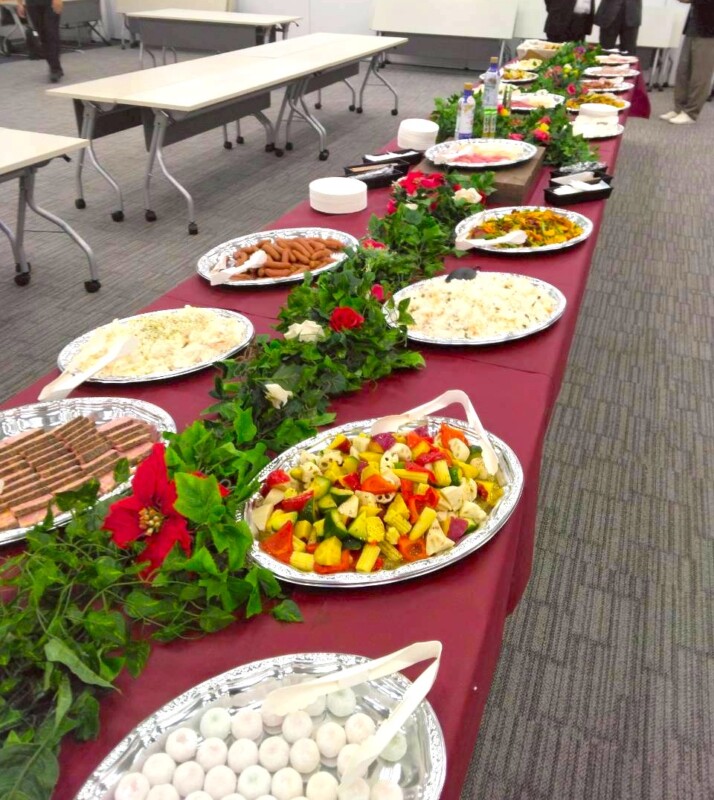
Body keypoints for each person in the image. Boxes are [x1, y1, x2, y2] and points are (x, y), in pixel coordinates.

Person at [661, 0, 714, 124]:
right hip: (694, 26)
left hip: (709, 31)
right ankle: (679, 108)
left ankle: (691, 113)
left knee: (700, 74)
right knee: (683, 71)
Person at [16, 0, 63, 83]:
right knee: (42, 35)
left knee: (51, 33)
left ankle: (55, 69)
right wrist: (19, 4)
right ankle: (54, 66)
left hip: (49, 3)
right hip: (32, 3)